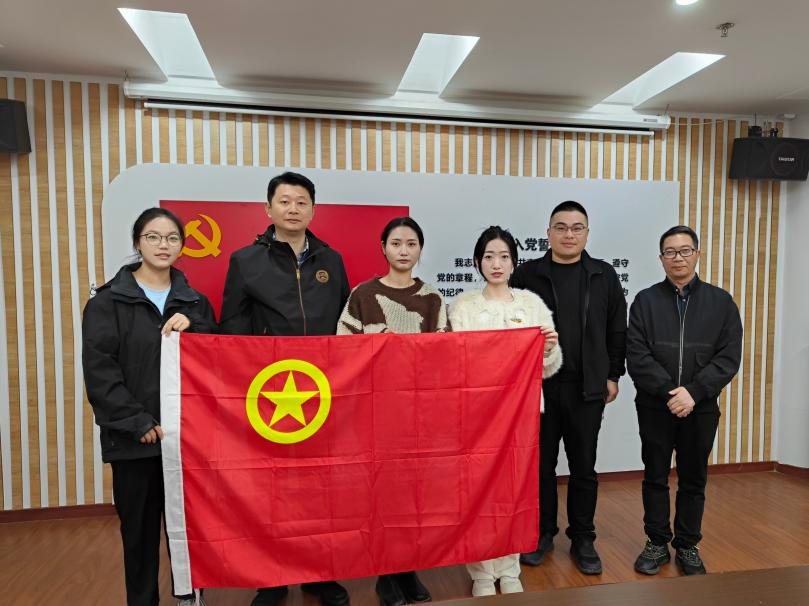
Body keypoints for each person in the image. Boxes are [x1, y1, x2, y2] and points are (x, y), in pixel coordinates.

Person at [220, 172, 351, 606]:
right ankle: (271, 579)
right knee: (271, 491)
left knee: (322, 489)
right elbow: (233, 328)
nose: (293, 209)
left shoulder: (331, 260)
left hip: (324, 393)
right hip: (270, 395)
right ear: (268, 208)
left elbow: (346, 326)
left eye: (301, 202)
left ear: (313, 209)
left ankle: (320, 573)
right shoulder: (245, 261)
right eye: (284, 201)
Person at [82, 207, 216, 606]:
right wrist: (136, 421)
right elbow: (100, 372)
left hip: (187, 440)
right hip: (135, 440)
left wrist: (196, 326)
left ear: (182, 246)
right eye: (153, 237)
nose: (163, 245)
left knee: (190, 528)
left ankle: (190, 597)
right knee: (139, 533)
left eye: (172, 238)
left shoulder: (196, 303)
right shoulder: (107, 303)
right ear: (137, 242)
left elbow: (218, 356)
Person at [511, 200, 627, 575]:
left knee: (583, 467)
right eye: (561, 227)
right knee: (540, 467)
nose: (569, 234)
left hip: (587, 389)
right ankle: (542, 533)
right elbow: (511, 326)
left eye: (577, 228)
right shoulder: (527, 274)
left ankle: (583, 538)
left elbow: (617, 329)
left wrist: (613, 375)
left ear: (587, 234)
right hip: (539, 388)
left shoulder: (603, 275)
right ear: (548, 233)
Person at [337, 216, 446, 606]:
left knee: (414, 495)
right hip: (374, 412)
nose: (403, 251)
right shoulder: (363, 294)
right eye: (396, 243)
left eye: (411, 244)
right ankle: (386, 573)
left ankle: (408, 569)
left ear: (420, 250)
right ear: (382, 247)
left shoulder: (432, 298)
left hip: (416, 414)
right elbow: (342, 351)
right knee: (381, 493)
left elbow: (444, 355)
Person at [448, 226, 562, 597]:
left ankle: (510, 567)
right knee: (479, 491)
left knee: (516, 490)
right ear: (477, 262)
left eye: (504, 257)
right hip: (478, 416)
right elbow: (457, 362)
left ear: (514, 262)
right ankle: (482, 571)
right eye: (488, 257)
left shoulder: (531, 304)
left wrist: (548, 349)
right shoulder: (463, 306)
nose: (496, 264)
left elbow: (548, 366)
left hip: (521, 414)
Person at [627, 225, 742, 576]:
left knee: (694, 478)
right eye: (670, 252)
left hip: (701, 406)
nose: (678, 258)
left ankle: (688, 545)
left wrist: (693, 391)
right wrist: (669, 392)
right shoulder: (645, 301)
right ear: (661, 258)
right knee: (655, 475)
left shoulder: (721, 302)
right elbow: (637, 355)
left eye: (685, 250)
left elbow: (728, 356)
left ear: (697, 254)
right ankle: (656, 542)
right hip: (655, 405)